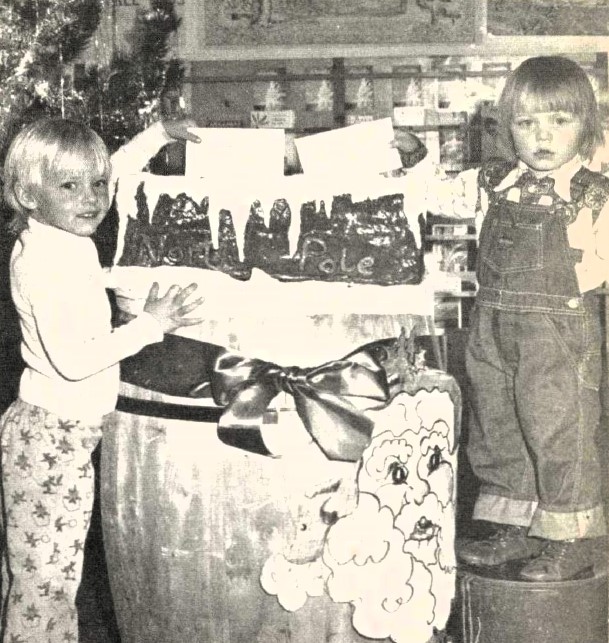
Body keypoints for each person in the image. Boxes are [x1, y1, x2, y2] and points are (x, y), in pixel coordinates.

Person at [404, 55, 608, 582]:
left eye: (559, 121)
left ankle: (572, 536)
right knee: (497, 427)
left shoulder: (593, 195)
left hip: (560, 331)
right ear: (506, 128)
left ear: (586, 125)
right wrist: (414, 157)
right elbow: (427, 194)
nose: (543, 136)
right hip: (492, 324)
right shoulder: (490, 183)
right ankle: (511, 526)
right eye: (527, 122)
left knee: (558, 429)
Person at [0, 116, 204, 642]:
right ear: (27, 193)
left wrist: (159, 135)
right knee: (47, 581)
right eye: (70, 186)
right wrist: (150, 326)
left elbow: (113, 171)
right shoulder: (46, 261)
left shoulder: (58, 233)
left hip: (57, 431)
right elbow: (72, 359)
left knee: (36, 573)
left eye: (96, 185)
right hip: (52, 439)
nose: (91, 198)